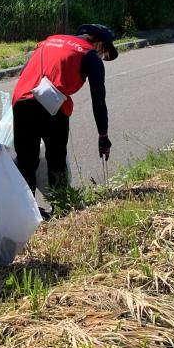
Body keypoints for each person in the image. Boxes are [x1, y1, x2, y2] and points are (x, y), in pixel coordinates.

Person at [11, 24, 118, 218]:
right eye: (104, 53)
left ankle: (25, 216)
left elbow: (26, 72)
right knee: (56, 158)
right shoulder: (89, 54)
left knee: (26, 161)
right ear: (100, 45)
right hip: (51, 104)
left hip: (21, 100)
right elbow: (98, 98)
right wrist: (103, 135)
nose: (102, 56)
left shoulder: (49, 40)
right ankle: (61, 209)